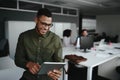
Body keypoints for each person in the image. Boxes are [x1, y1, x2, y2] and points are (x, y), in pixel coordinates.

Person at [14, 8, 63, 80]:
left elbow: (59, 63)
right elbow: (18, 60)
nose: (46, 28)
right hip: (28, 77)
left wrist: (56, 72)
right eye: (43, 23)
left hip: (48, 78)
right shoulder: (24, 36)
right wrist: (28, 64)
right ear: (36, 20)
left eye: (49, 25)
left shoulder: (56, 39)